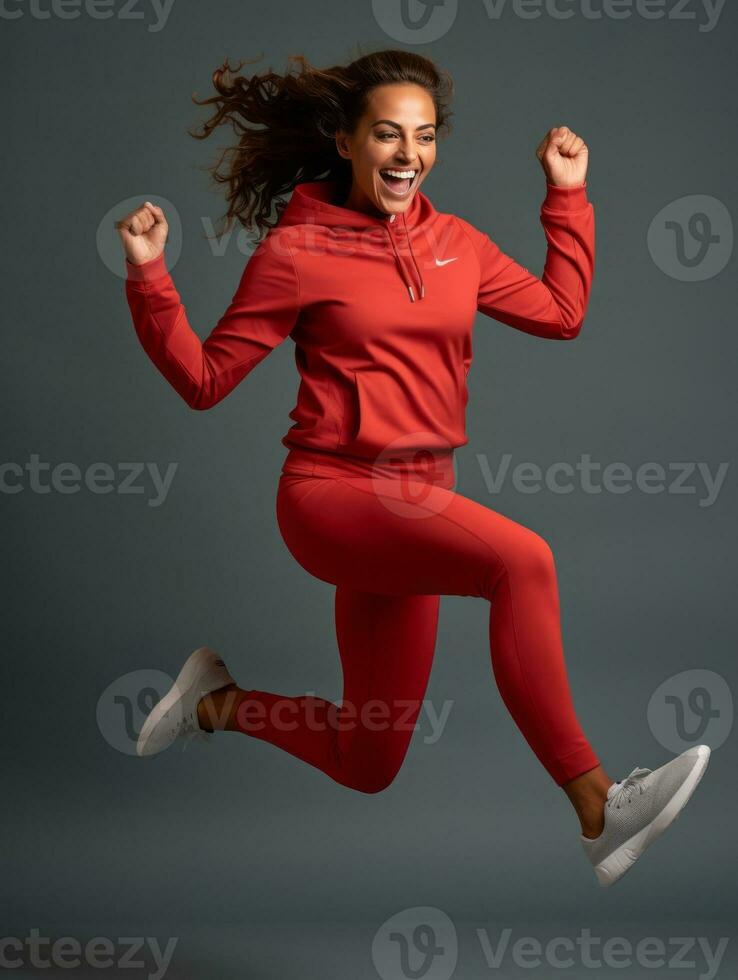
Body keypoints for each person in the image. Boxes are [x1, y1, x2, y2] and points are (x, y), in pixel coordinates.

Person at [116, 48, 710, 887]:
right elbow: (205, 380)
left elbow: (562, 313)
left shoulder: (456, 244)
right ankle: (599, 805)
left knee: (369, 757)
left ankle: (216, 703)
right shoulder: (298, 251)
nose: (407, 155)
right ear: (347, 141)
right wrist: (150, 280)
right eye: (388, 135)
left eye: (424, 138)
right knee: (523, 561)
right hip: (333, 497)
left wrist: (566, 194)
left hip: (420, 502)